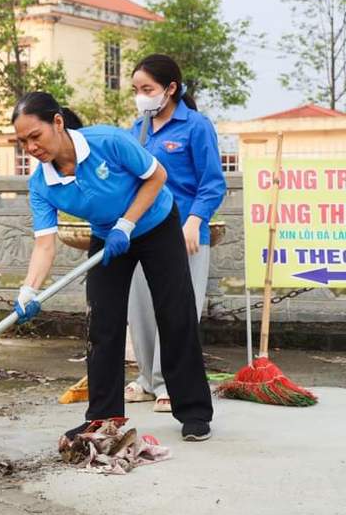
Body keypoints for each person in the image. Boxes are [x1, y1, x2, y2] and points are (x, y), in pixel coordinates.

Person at [11, 92, 213, 442]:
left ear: (57, 123)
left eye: (35, 136)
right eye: (22, 141)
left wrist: (128, 223)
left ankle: (193, 410)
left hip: (156, 223)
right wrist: (29, 289)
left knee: (174, 313)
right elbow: (45, 243)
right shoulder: (41, 184)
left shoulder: (108, 141)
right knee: (102, 323)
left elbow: (157, 176)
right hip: (109, 237)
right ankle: (104, 417)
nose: (30, 147)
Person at [124, 55, 226, 412]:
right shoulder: (137, 129)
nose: (141, 96)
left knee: (178, 310)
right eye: (136, 89)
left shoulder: (196, 126)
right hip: (142, 231)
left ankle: (171, 382)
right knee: (140, 307)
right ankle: (146, 379)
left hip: (184, 233)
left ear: (171, 89)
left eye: (147, 89)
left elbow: (212, 183)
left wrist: (195, 220)